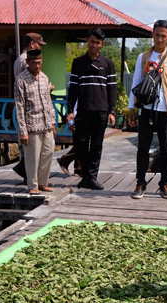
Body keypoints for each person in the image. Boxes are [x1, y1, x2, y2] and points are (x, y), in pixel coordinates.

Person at [127, 20, 167, 200]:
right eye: (157, 35)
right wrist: (131, 109)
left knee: (166, 149)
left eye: (163, 36)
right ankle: (140, 183)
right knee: (143, 147)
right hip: (146, 109)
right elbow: (135, 83)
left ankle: (165, 183)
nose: (159, 39)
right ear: (152, 34)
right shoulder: (143, 57)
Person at [67, 28, 116, 191]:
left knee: (96, 145)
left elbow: (112, 90)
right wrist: (69, 111)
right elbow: (73, 89)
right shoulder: (78, 63)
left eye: (97, 42)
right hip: (83, 111)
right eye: (91, 41)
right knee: (81, 144)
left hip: (101, 112)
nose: (94, 45)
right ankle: (87, 176)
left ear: (102, 44)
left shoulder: (108, 64)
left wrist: (112, 111)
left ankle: (91, 177)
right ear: (87, 41)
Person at [14, 49, 56, 194]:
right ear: (27, 63)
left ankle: (43, 182)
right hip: (31, 125)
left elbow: (48, 101)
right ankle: (33, 185)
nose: (37, 66)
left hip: (46, 124)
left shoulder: (44, 78)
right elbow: (19, 107)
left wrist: (53, 122)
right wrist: (23, 131)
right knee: (33, 157)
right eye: (33, 63)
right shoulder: (21, 80)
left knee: (48, 153)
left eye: (39, 63)